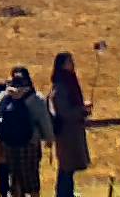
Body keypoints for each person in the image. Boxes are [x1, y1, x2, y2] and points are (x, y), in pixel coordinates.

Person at [0, 67, 55, 197]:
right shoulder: (35, 98)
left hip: (9, 143)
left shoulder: (4, 97)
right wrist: (49, 138)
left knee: (15, 178)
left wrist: (0, 138)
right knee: (32, 178)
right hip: (30, 143)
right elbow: (43, 119)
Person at [49, 52, 92, 197]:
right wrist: (81, 110)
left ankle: (68, 193)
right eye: (69, 62)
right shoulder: (60, 86)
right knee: (66, 168)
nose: (72, 64)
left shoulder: (69, 82)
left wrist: (83, 108)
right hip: (66, 134)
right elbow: (64, 111)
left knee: (70, 168)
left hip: (73, 132)